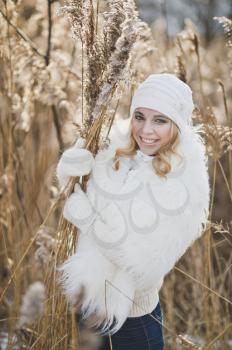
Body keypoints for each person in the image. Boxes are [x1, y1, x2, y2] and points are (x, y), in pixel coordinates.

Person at [56, 73, 210, 350]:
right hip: (89, 302)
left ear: (178, 124)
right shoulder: (116, 152)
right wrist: (68, 171)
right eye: (140, 116)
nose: (146, 130)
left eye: (160, 120)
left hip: (134, 318)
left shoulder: (185, 184)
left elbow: (142, 266)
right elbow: (76, 194)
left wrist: (87, 218)